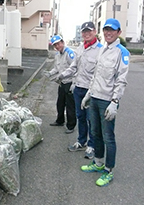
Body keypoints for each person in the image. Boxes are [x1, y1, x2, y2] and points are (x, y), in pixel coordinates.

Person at [80, 18, 130, 187]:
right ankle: (98, 163)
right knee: (95, 133)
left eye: (112, 30)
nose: (108, 33)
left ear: (118, 33)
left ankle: (108, 171)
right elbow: (96, 75)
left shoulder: (122, 53)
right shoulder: (102, 49)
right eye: (106, 30)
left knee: (108, 137)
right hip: (94, 97)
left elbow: (121, 80)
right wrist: (88, 94)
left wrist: (115, 102)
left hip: (107, 101)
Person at [58, 21, 102, 159]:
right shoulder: (80, 48)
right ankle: (81, 141)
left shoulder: (101, 50)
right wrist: (62, 74)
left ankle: (92, 145)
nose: (86, 33)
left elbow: (99, 73)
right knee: (80, 117)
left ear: (95, 31)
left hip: (92, 91)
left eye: (89, 31)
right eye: (84, 31)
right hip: (78, 88)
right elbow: (74, 67)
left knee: (91, 119)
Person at [44, 35, 76, 134]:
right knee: (60, 103)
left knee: (70, 106)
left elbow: (74, 68)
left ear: (62, 42)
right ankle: (60, 120)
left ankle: (71, 126)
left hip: (70, 82)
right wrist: (50, 73)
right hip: (62, 83)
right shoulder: (57, 55)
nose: (57, 46)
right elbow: (56, 68)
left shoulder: (70, 53)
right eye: (55, 45)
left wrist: (63, 76)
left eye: (58, 44)